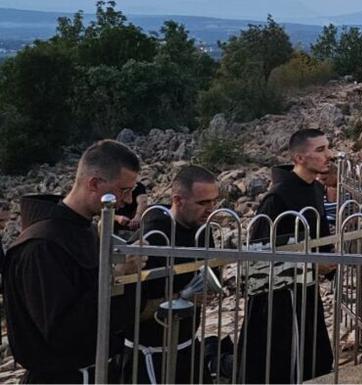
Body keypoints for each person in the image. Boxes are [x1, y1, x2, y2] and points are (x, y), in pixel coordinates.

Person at [2, 140, 143, 383]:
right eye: (124, 190)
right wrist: (113, 278)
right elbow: (62, 333)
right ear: (94, 183)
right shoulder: (42, 246)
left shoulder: (85, 229)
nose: (129, 200)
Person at [242, 128, 335, 383]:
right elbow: (259, 261)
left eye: (328, 148)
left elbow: (320, 241)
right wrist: (313, 266)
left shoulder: (315, 189)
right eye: (320, 150)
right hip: (278, 304)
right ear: (299, 158)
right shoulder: (277, 198)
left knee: (313, 360)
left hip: (306, 293)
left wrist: (328, 262)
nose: (329, 155)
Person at [123, 166, 220, 385]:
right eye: (203, 203)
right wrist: (182, 297)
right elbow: (130, 308)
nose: (211, 209)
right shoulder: (152, 236)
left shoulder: (202, 229)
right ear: (178, 200)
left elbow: (211, 275)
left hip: (187, 346)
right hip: (149, 354)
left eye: (214, 202)